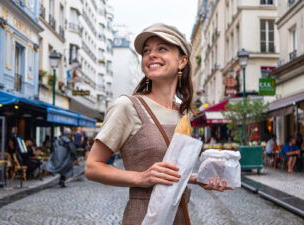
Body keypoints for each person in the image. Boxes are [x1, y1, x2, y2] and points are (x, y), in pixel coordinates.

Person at [85, 23, 232, 225]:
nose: (151, 55)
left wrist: (197, 178)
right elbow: (92, 167)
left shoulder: (183, 113)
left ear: (182, 61)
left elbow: (169, 171)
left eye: (161, 48)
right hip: (144, 216)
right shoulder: (127, 106)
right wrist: (140, 178)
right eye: (147, 51)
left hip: (179, 215)